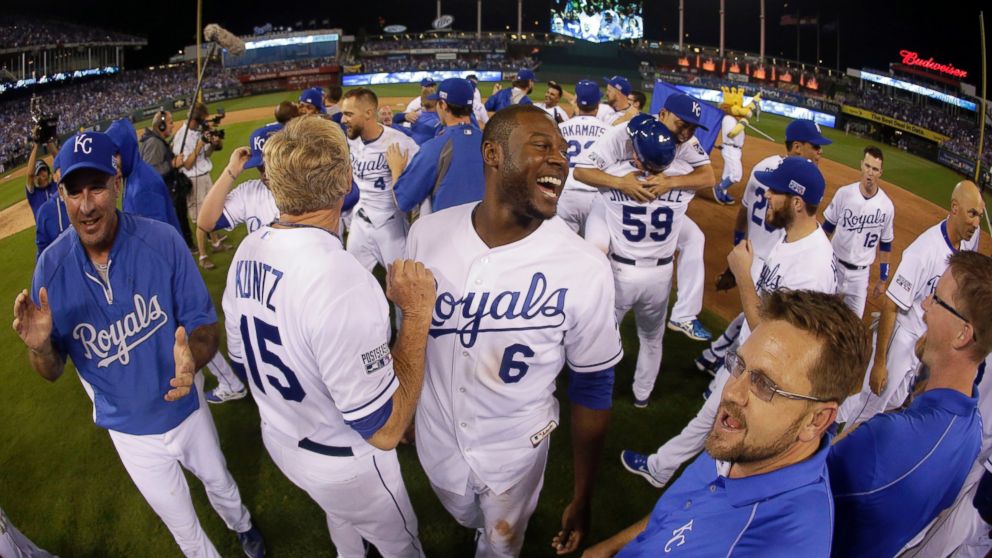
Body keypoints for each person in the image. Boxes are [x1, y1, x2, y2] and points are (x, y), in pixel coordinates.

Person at [13, 131, 265, 558]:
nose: (87, 203)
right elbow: (52, 370)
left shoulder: (162, 241)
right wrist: (40, 348)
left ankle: (243, 527)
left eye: (96, 187)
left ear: (116, 183)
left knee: (219, 481)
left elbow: (204, 328)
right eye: (74, 191)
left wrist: (194, 362)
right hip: (129, 432)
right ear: (61, 194)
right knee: (183, 528)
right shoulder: (50, 270)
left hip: (185, 408)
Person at [406, 105, 623, 557]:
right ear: (493, 154)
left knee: (502, 544)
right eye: (542, 145)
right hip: (436, 437)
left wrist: (583, 495)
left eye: (562, 150)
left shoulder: (584, 266)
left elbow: (594, 383)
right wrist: (406, 408)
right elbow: (412, 334)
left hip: (515, 452)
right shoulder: (427, 235)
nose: (559, 159)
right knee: (463, 515)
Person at [223, 114, 433, 557]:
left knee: (341, 520)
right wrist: (415, 315)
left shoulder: (247, 248)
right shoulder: (343, 280)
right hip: (343, 462)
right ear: (345, 181)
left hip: (281, 438)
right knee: (403, 545)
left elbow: (241, 361)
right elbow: (387, 429)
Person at [583, 290, 870, 558]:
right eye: (739, 366)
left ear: (816, 420)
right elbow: (675, 512)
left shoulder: (784, 544)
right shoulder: (743, 443)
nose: (732, 392)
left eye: (764, 384)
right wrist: (609, 548)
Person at [621, 156, 836, 489]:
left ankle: (689, 481)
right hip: (750, 359)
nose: (766, 196)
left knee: (732, 437)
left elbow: (773, 336)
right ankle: (660, 468)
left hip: (768, 374)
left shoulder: (812, 266)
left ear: (796, 202)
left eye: (774, 192)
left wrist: (742, 274)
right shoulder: (791, 238)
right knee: (710, 418)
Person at [829, 251, 992, 558]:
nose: (925, 305)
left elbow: (792, 484)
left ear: (962, 334)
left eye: (937, 299)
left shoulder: (885, 437)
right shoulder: (972, 431)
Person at [695, 119, 833, 376]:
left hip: (752, 255)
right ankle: (723, 370)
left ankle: (712, 356)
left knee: (747, 318)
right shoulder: (800, 184)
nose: (820, 152)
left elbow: (744, 211)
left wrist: (737, 250)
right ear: (798, 147)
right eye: (815, 147)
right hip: (772, 263)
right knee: (760, 325)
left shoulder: (763, 166)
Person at [840, 180, 983, 427]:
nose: (976, 222)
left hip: (925, 338)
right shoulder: (924, 251)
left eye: (979, 216)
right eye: (972, 214)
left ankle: (841, 414)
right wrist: (880, 362)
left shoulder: (970, 239)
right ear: (955, 208)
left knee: (895, 401)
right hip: (902, 336)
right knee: (871, 406)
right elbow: (890, 305)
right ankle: (838, 447)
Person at [575, 93, 716, 342]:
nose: (686, 132)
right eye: (682, 124)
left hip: (648, 202)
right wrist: (620, 183)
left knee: (694, 237)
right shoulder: (621, 134)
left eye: (693, 127)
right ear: (662, 115)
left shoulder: (686, 142)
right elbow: (581, 171)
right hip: (607, 200)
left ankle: (684, 316)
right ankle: (585, 309)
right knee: (597, 248)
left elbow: (708, 177)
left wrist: (670, 182)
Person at [599, 119, 687, 408]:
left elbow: (588, 175)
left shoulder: (614, 174)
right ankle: (642, 396)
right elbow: (701, 175)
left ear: (637, 155)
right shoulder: (685, 180)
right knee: (651, 338)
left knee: (606, 335)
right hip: (661, 275)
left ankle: (600, 389)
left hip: (621, 272)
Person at [341, 87, 420, 272]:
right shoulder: (351, 139)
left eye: (348, 114)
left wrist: (398, 172)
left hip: (390, 226)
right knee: (352, 278)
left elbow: (416, 190)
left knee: (402, 284)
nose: (343, 119)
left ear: (368, 113)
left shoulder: (400, 143)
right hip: (359, 223)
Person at [388, 78, 484, 215]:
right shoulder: (489, 142)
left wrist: (396, 169)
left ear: (443, 105)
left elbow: (403, 201)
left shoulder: (434, 147)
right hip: (488, 230)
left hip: (450, 231)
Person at [821, 146, 894, 318]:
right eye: (867, 166)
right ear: (861, 165)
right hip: (835, 266)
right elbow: (827, 229)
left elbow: (885, 244)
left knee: (853, 324)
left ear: (880, 173)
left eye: (875, 169)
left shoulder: (886, 206)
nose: (870, 172)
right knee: (822, 316)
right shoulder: (844, 194)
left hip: (860, 276)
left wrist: (883, 278)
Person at [172, 102, 228, 270]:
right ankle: (203, 256)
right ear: (194, 120)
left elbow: (207, 155)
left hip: (205, 176)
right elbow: (187, 165)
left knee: (211, 211)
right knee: (200, 219)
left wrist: (213, 143)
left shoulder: (197, 132)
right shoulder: (181, 138)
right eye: (202, 120)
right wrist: (199, 146)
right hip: (193, 180)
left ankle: (216, 243)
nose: (204, 123)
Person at [107, 118, 182, 235]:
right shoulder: (132, 175)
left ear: (126, 151)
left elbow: (157, 241)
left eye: (115, 154)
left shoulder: (143, 186)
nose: (111, 161)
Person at [556, 80, 608, 234]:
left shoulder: (560, 128)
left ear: (576, 102)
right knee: (594, 248)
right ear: (598, 104)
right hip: (596, 198)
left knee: (563, 247)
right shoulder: (609, 132)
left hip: (566, 196)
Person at [140, 110, 194, 249]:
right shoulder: (153, 142)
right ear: (161, 126)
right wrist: (172, 164)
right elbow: (149, 172)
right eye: (170, 122)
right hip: (165, 193)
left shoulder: (155, 141)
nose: (173, 125)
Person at [712, 87, 749, 205]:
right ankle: (719, 188)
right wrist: (742, 124)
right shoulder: (728, 118)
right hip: (730, 149)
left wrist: (740, 122)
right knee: (737, 175)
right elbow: (730, 134)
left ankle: (722, 192)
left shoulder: (735, 119)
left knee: (727, 173)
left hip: (736, 150)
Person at [34, 139, 70, 257]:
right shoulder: (45, 212)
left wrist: (48, 140)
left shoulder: (84, 200)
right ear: (55, 177)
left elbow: (61, 162)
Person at [25, 138, 59, 221]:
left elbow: (60, 161)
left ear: (48, 171)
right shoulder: (33, 194)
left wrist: (48, 140)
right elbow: (30, 175)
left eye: (43, 169)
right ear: (36, 176)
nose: (42, 173)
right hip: (45, 233)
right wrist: (36, 145)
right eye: (39, 172)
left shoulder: (56, 186)